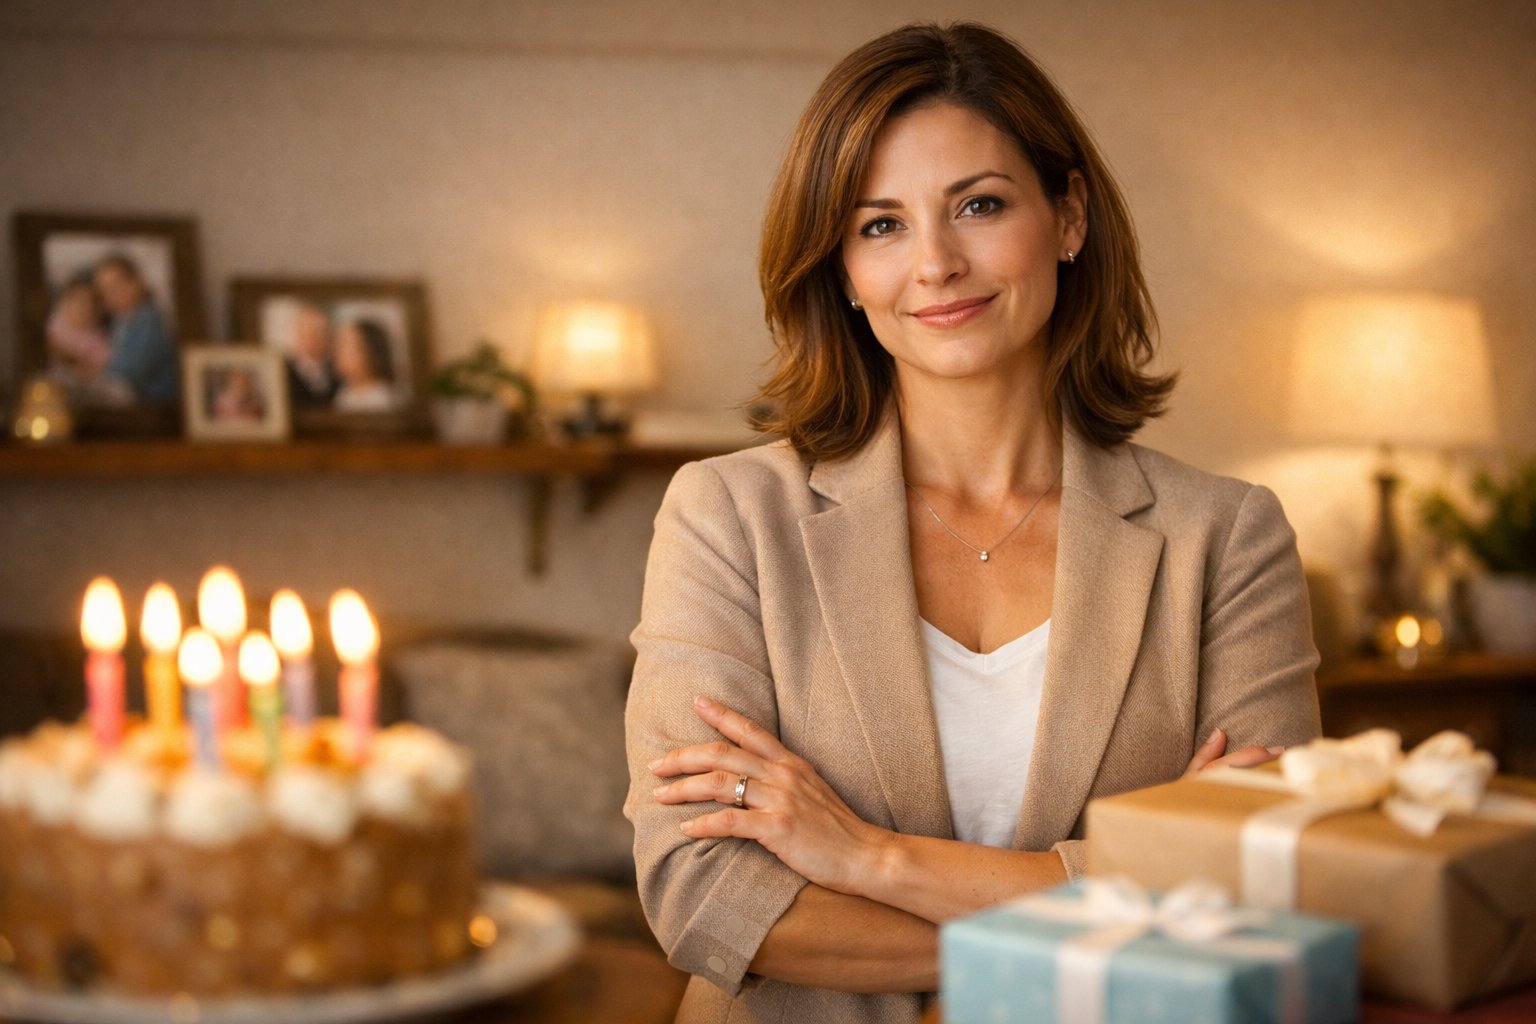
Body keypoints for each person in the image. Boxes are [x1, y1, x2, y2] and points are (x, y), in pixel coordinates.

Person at [624, 22, 1320, 1024]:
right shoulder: (728, 516)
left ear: (1068, 214)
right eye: (880, 225)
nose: (937, 263)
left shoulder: (1228, 537)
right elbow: (705, 901)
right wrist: (1127, 898)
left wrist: (872, 858)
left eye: (980, 205)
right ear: (841, 271)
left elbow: (1265, 882)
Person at [93, 254, 179, 404]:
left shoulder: (148, 318)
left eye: (116, 287)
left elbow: (134, 367)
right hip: (133, 394)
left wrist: (99, 371)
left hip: (155, 401)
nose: (110, 296)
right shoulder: (121, 320)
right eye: (104, 291)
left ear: (136, 283)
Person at [332, 318, 398, 412]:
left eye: (344, 345)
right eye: (337, 344)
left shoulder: (382, 400)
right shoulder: (344, 393)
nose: (336, 352)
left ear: (369, 353)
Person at [284, 299, 339, 406]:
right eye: (309, 331)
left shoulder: (340, 371)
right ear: (297, 332)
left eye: (320, 331)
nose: (314, 338)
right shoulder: (284, 371)